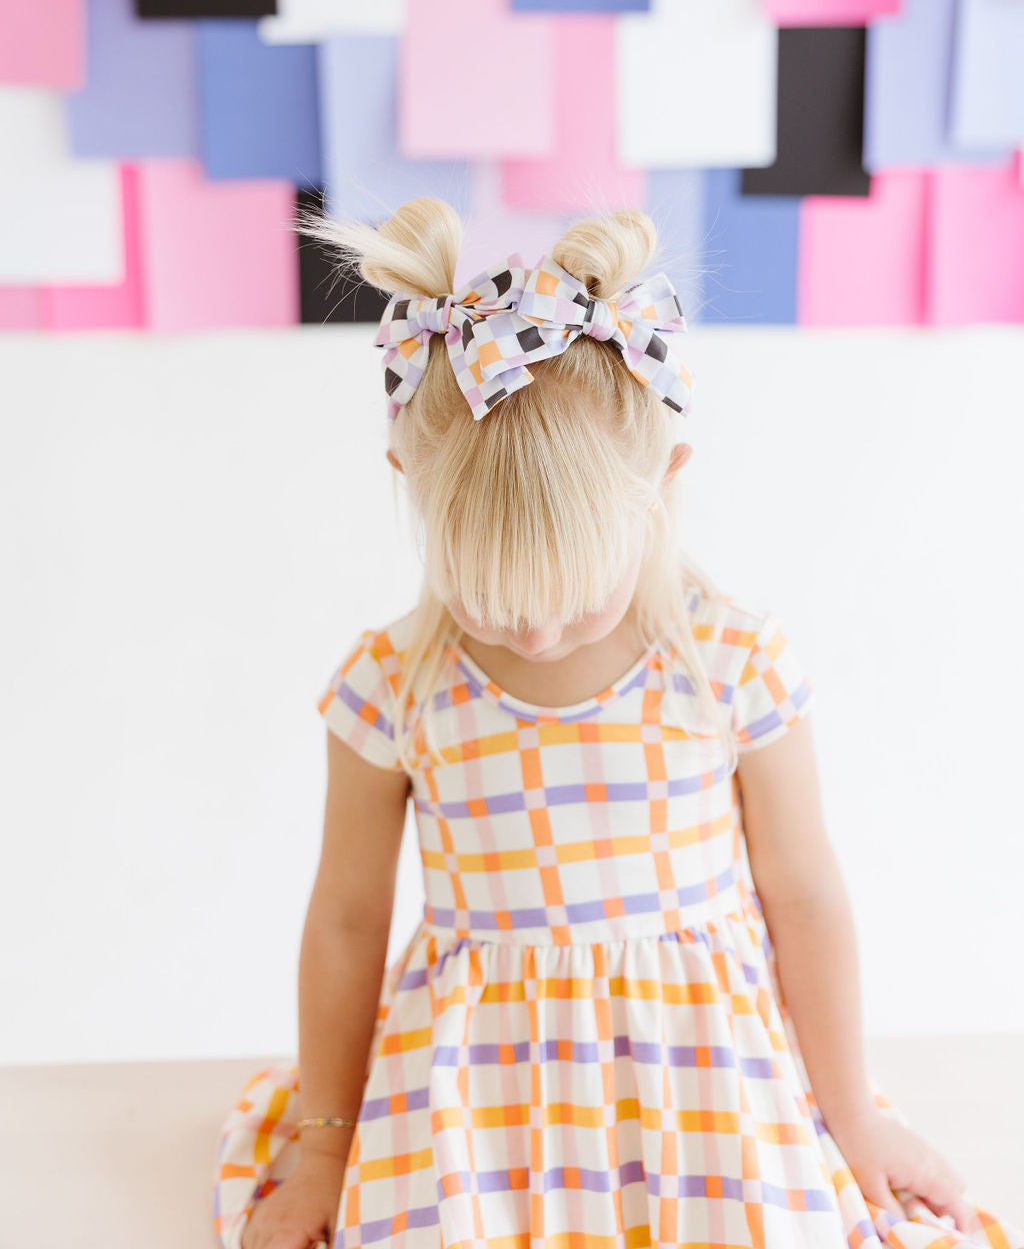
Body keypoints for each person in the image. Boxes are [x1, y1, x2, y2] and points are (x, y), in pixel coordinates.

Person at [211, 198, 1021, 1249]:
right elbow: (348, 920)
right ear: (411, 489)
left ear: (661, 488)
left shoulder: (730, 664)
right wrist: (324, 1145)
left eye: (577, 595)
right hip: (477, 1102)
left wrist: (852, 1113)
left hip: (701, 1094)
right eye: (493, 596)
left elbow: (804, 898)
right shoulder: (391, 685)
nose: (538, 631)